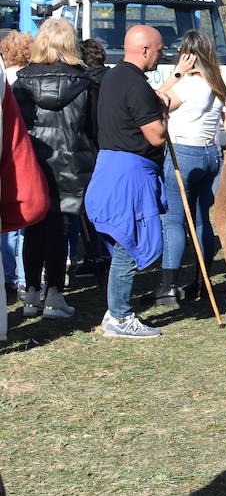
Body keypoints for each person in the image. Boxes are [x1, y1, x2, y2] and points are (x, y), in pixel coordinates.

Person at [85, 25, 169, 338]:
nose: (162, 55)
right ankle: (119, 317)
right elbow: (156, 136)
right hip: (129, 172)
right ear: (145, 50)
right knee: (128, 243)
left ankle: (115, 312)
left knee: (123, 241)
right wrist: (166, 113)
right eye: (159, 50)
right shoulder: (137, 85)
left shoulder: (112, 77)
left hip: (109, 165)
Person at [11, 19, 98, 320]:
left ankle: (32, 293)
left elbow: (16, 127)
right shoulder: (85, 81)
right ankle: (55, 295)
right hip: (71, 163)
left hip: (33, 162)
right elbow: (92, 128)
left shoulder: (21, 81)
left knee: (33, 228)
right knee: (60, 231)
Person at [153, 30, 226, 306]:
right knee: (200, 219)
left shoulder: (187, 84)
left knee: (173, 220)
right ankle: (202, 277)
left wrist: (176, 74)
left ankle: (167, 286)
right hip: (210, 153)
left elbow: (155, 100)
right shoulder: (215, 80)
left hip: (183, 151)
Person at [1, 30, 33, 299]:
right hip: (25, 148)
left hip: (7, 150)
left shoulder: (6, 77)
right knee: (22, 222)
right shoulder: (27, 80)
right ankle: (22, 276)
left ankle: (11, 275)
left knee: (8, 223)